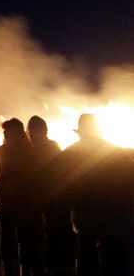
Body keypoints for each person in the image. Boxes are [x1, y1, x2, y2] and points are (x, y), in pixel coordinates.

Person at [48, 114, 133, 276]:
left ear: (81, 133)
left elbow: (57, 180)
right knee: (113, 258)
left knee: (86, 257)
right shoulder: (113, 150)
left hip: (83, 216)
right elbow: (129, 176)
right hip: (111, 215)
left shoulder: (70, 153)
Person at [0, 118, 42, 276]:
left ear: (18, 133)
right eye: (5, 131)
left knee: (16, 236)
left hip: (17, 199)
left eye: (8, 131)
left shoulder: (2, 151)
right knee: (15, 236)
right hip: (14, 199)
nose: (5, 133)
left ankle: (18, 269)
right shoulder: (30, 151)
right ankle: (16, 269)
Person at [27, 116, 72, 276]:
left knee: (48, 233)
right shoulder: (36, 147)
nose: (34, 132)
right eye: (32, 129)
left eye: (35, 129)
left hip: (45, 195)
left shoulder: (33, 148)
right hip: (41, 195)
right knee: (43, 233)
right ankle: (44, 267)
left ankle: (47, 266)